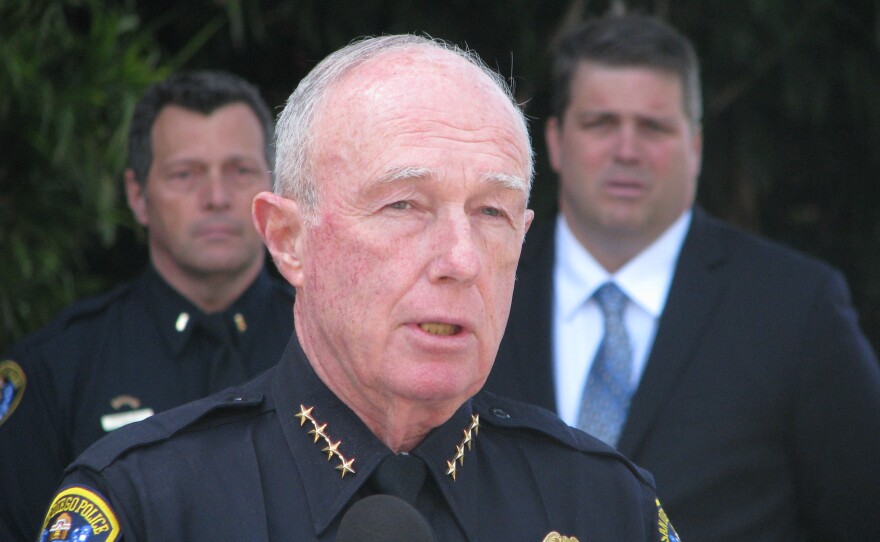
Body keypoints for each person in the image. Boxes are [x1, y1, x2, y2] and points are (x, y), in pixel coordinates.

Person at [36, 35, 681, 541]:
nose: (460, 259)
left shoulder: (606, 508)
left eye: (491, 213)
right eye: (405, 205)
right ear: (288, 239)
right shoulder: (148, 505)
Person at [484, 13, 880, 542]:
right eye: (600, 123)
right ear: (553, 143)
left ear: (695, 147)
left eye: (654, 127)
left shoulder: (797, 308)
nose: (627, 150)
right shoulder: (480, 282)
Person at [0, 70, 294, 541]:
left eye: (240, 171)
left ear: (275, 189)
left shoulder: (331, 345)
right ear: (138, 196)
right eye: (186, 174)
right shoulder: (59, 369)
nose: (216, 198)